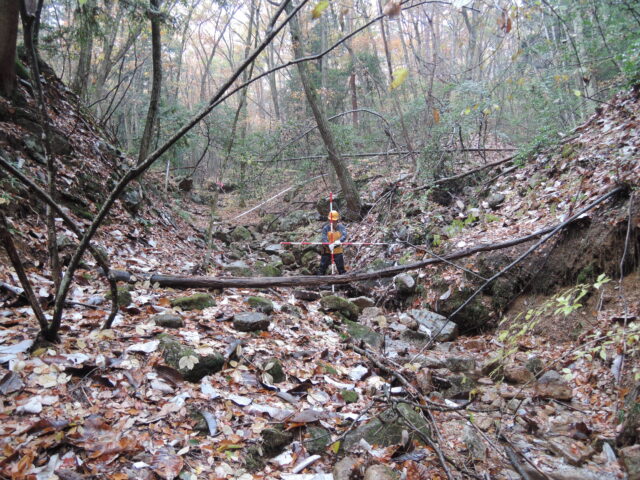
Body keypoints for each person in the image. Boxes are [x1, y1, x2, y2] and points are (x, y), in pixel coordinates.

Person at [317, 210, 347, 275]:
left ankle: (344, 283)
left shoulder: (341, 227)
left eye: (333, 221)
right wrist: (328, 245)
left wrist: (339, 241)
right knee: (322, 268)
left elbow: (344, 235)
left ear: (337, 220)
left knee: (341, 269)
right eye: (330, 220)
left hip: (338, 250)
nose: (331, 222)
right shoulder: (326, 228)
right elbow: (324, 238)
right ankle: (319, 281)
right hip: (327, 251)